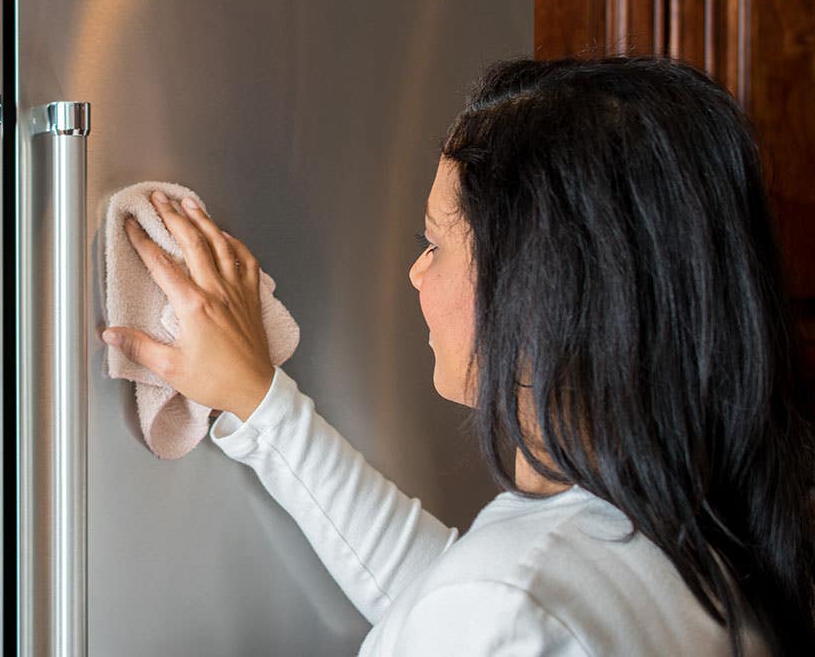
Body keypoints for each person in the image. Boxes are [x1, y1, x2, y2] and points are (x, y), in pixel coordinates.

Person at [100, 57, 815, 656]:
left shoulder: (504, 602)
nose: (414, 272)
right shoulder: (694, 531)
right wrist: (261, 403)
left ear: (542, 286)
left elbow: (481, 606)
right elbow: (442, 592)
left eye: (435, 243)